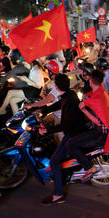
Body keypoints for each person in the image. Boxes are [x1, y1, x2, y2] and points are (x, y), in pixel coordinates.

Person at [39, 73, 89, 205]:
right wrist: (43, 110)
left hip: (73, 134)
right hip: (74, 131)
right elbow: (58, 104)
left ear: (56, 86)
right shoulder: (69, 95)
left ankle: (58, 195)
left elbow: (65, 125)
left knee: (54, 161)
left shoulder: (68, 101)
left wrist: (47, 130)